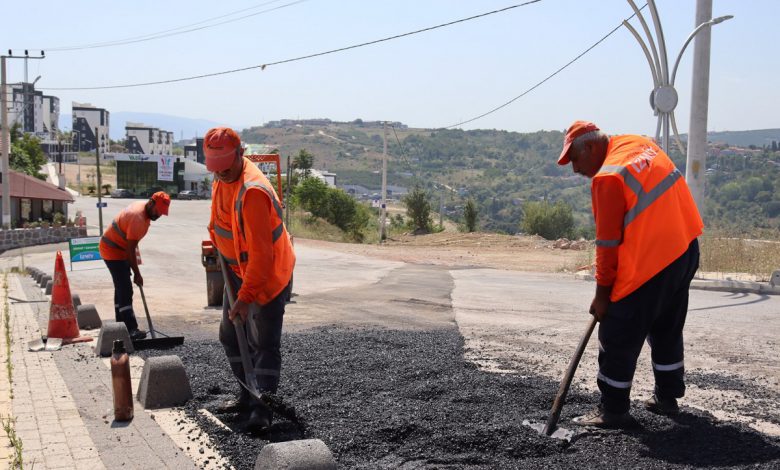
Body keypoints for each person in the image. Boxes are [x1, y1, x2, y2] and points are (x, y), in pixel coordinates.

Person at [557, 121, 703, 428]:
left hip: (652, 261)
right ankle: (667, 397)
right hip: (685, 249)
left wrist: (602, 297)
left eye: (575, 160)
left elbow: (607, 246)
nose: (575, 170)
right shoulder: (641, 144)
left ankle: (612, 410)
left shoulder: (608, 177)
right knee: (666, 325)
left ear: (591, 148)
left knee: (616, 333)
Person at [204, 127, 295, 432]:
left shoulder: (253, 191)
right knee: (230, 336)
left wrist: (245, 298)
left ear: (240, 154)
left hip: (267, 276)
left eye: (225, 169)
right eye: (215, 170)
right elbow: (218, 221)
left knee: (263, 343)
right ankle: (246, 393)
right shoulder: (221, 177)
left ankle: (263, 408)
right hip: (238, 271)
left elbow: (261, 258)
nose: (221, 175)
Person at [99, 191, 171, 340]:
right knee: (125, 288)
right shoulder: (138, 217)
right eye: (158, 211)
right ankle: (131, 329)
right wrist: (137, 273)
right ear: (151, 203)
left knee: (121, 287)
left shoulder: (143, 211)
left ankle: (120, 327)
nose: (159, 215)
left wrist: (134, 266)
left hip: (121, 250)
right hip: (112, 249)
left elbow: (132, 245)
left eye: (162, 213)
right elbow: (130, 248)